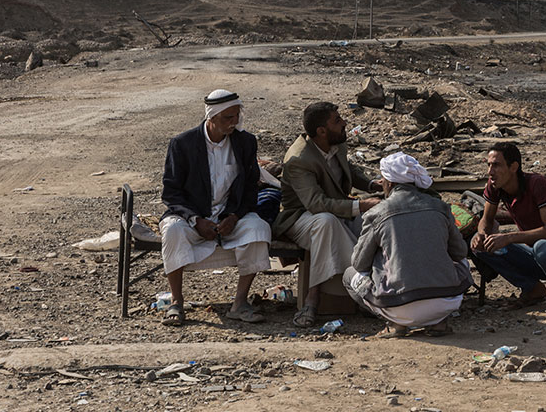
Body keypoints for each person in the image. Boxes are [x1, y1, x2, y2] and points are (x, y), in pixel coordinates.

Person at [159, 89, 272, 326]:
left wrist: (234, 216)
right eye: (227, 118)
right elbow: (171, 192)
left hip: (229, 217)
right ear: (211, 117)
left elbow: (250, 188)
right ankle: (176, 302)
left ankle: (240, 303)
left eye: (236, 117)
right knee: (172, 231)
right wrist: (195, 220)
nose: (233, 123)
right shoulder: (183, 144)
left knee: (259, 229)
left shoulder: (246, 142)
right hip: (192, 215)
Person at [274, 101, 381, 328]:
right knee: (326, 222)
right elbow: (315, 204)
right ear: (321, 131)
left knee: (375, 220)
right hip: (301, 218)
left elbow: (346, 168)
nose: (344, 123)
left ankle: (374, 286)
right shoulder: (299, 159)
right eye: (337, 121)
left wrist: (371, 185)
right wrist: (359, 206)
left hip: (337, 210)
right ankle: (316, 299)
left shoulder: (337, 143)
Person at [344, 152, 473, 338]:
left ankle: (395, 324)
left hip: (400, 307)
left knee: (350, 275)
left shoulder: (377, 212)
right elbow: (460, 252)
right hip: (447, 302)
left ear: (389, 183)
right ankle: (438, 323)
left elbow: (359, 264)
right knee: (462, 263)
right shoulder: (440, 206)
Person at [471, 143, 546, 311]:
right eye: (488, 165)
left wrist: (508, 237)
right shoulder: (495, 185)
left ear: (514, 167)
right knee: (481, 247)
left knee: (543, 246)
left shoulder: (537, 183)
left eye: (496, 165)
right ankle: (532, 289)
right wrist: (481, 235)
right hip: (535, 256)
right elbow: (486, 220)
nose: (490, 171)